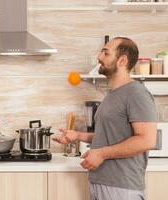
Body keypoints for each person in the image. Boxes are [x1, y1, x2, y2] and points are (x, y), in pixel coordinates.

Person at [53, 37, 157, 200]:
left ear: (122, 60)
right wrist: (78, 136)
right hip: (101, 183)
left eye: (106, 53)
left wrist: (101, 154)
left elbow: (147, 140)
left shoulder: (137, 93)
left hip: (121, 187)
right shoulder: (113, 94)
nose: (99, 57)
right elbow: (111, 135)